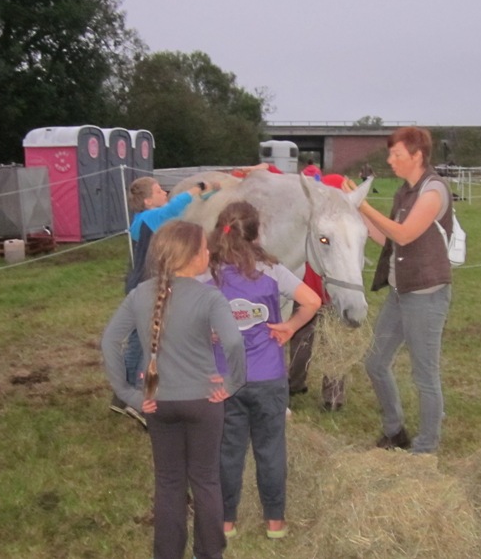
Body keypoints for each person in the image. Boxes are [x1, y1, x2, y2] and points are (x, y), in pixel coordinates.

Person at [101, 220, 246, 559]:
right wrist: (232, 383)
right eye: (205, 248)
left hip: (157, 402)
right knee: (206, 480)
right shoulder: (210, 297)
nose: (209, 253)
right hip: (204, 401)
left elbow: (109, 341)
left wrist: (128, 393)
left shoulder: (140, 294)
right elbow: (234, 343)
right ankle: (209, 553)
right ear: (193, 256)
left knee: (168, 482)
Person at [203, 201, 321, 540]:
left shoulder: (207, 273)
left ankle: (226, 522)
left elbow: (184, 314)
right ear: (257, 235)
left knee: (227, 451)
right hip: (268, 377)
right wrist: (290, 327)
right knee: (270, 449)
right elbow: (312, 300)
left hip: (225, 379)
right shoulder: (272, 270)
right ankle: (275, 522)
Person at [344, 126, 453, 454]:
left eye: (396, 154)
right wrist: (352, 213)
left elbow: (404, 234)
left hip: (426, 295)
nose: (390, 160)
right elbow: (390, 240)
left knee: (424, 376)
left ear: (417, 156)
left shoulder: (433, 191)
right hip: (399, 291)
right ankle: (395, 431)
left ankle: (425, 447)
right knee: (375, 363)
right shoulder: (404, 192)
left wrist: (364, 206)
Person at [110, 176, 218, 423]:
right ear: (148, 201)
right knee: (151, 345)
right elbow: (174, 208)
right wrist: (200, 188)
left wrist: (208, 196)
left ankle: (121, 395)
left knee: (137, 343)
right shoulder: (151, 217)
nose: (164, 193)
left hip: (138, 286)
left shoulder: (141, 220)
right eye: (159, 190)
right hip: (149, 287)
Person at [288, 173, 347, 410]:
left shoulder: (312, 220)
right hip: (330, 292)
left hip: (307, 291)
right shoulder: (343, 224)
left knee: (302, 339)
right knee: (333, 344)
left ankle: (295, 383)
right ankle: (333, 396)